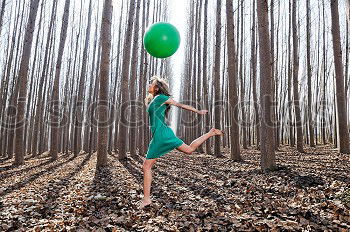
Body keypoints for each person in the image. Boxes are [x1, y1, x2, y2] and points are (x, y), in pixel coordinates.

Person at [139, 76, 224, 209]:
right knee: (189, 150)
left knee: (146, 167)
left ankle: (146, 200)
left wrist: (197, 111)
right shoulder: (154, 99)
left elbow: (180, 105)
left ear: (157, 88)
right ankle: (211, 132)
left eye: (151, 83)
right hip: (163, 134)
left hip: (162, 135)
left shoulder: (160, 97)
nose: (149, 85)